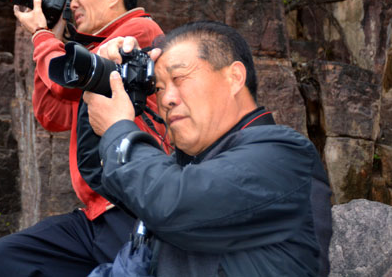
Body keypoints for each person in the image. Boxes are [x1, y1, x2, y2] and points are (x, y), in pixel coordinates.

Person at [82, 21, 333, 276]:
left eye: (179, 78)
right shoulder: (192, 166)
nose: (166, 99)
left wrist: (119, 130)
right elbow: (100, 174)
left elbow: (172, 202)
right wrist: (106, 83)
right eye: (158, 88)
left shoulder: (284, 157)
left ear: (234, 77)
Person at [0, 0, 171, 276]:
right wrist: (50, 37)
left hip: (132, 207)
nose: (72, 4)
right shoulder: (95, 49)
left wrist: (41, 36)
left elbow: (64, 82)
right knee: (2, 258)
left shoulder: (138, 33)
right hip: (97, 213)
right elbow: (52, 115)